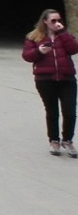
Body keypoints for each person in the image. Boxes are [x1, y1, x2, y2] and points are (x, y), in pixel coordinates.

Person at [22, 9, 78, 157]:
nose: (57, 23)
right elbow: (27, 56)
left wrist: (63, 33)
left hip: (67, 79)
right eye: (53, 21)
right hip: (45, 79)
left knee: (70, 111)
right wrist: (39, 51)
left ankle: (68, 140)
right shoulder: (34, 37)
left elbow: (73, 49)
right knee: (52, 111)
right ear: (45, 21)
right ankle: (54, 140)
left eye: (59, 20)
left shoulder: (65, 35)